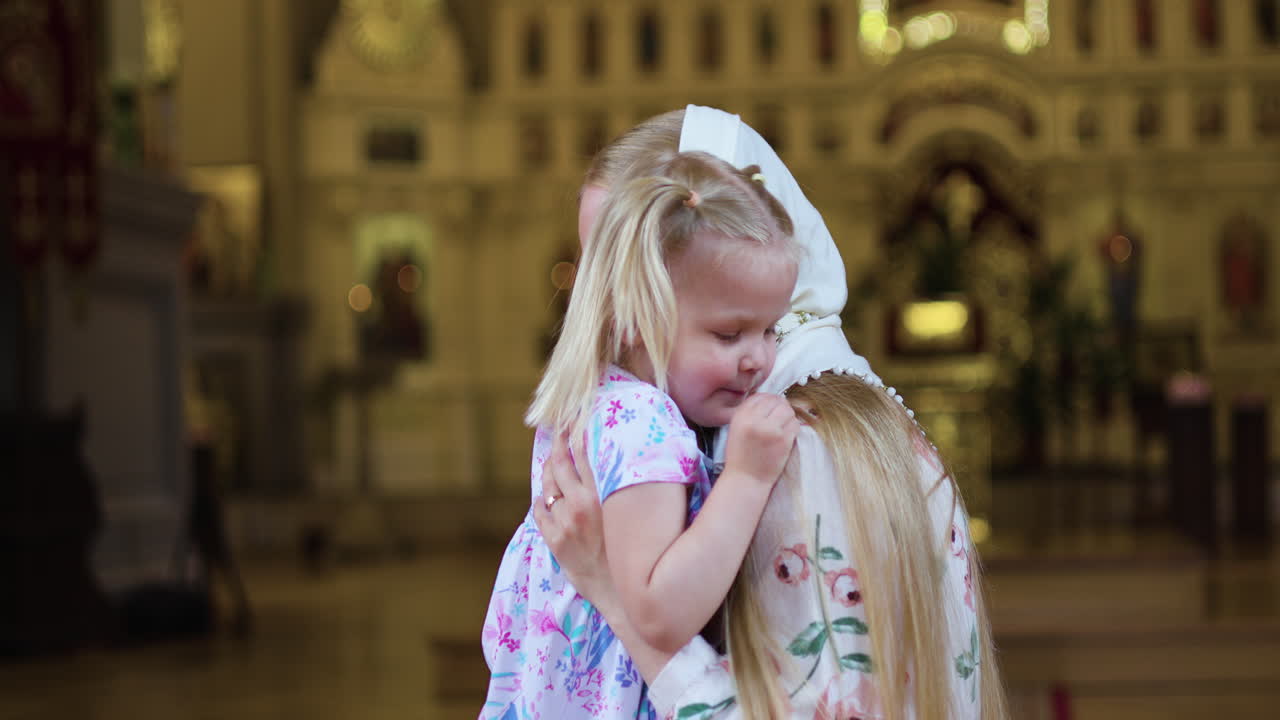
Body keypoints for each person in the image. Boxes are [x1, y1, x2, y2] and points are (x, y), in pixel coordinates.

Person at [534, 106, 1009, 720]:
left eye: (627, 269)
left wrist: (610, 591)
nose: (608, 309)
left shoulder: (797, 443)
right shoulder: (788, 412)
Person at [480, 149, 805, 719]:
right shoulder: (642, 425)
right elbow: (658, 613)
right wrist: (749, 478)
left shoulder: (599, 402)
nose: (759, 358)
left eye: (771, 329)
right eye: (730, 334)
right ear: (634, 315)